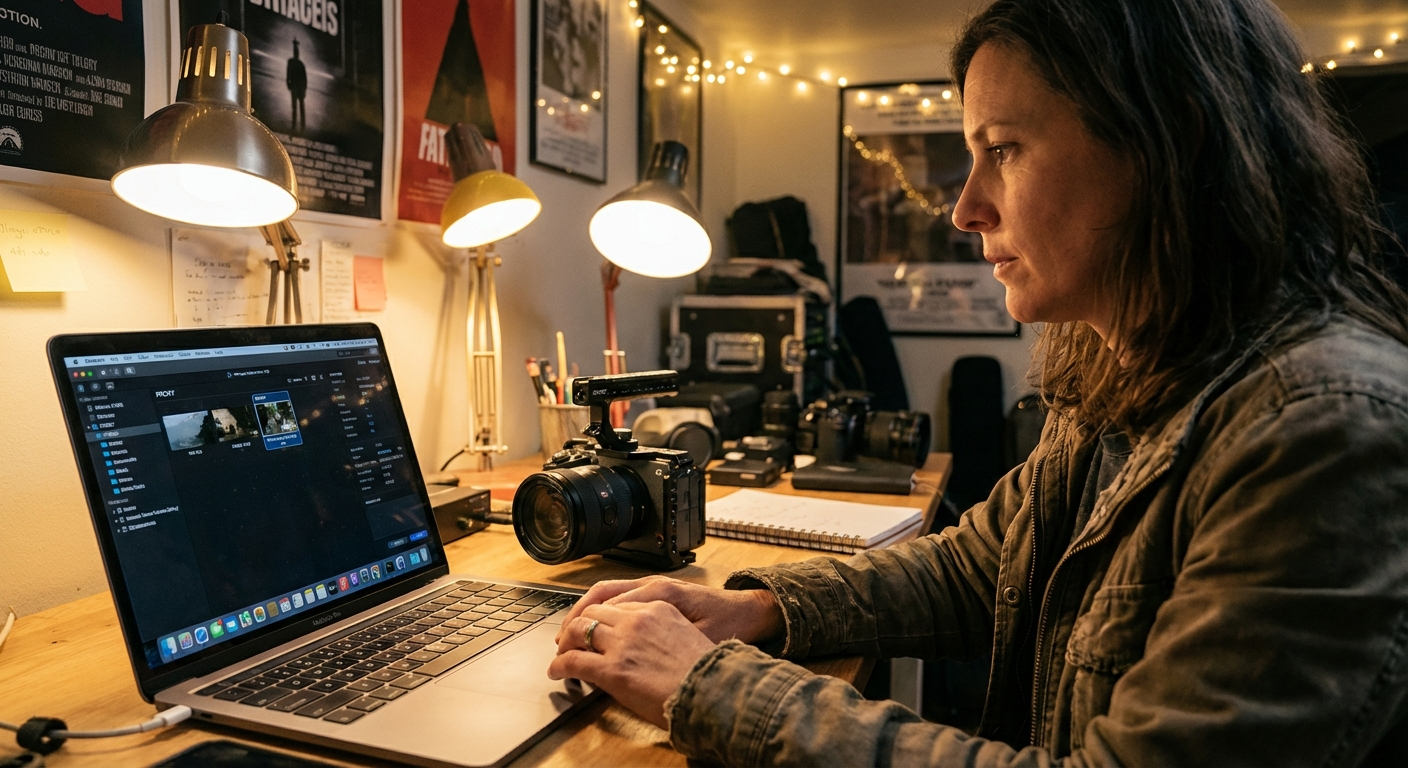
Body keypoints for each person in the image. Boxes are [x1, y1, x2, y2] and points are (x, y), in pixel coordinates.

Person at [548, 0, 1408, 764]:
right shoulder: (1125, 360)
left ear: (1169, 142)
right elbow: (983, 566)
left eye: (1003, 149)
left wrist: (711, 685)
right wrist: (760, 610)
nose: (965, 208)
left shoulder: (1324, 430)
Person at [286, 39, 307, 135]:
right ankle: (296, 126)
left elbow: (304, 77)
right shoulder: (293, 62)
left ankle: (301, 126)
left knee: (300, 107)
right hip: (296, 87)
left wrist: (304, 88)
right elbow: (288, 73)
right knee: (296, 107)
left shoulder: (300, 63)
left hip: (298, 88)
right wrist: (289, 83)